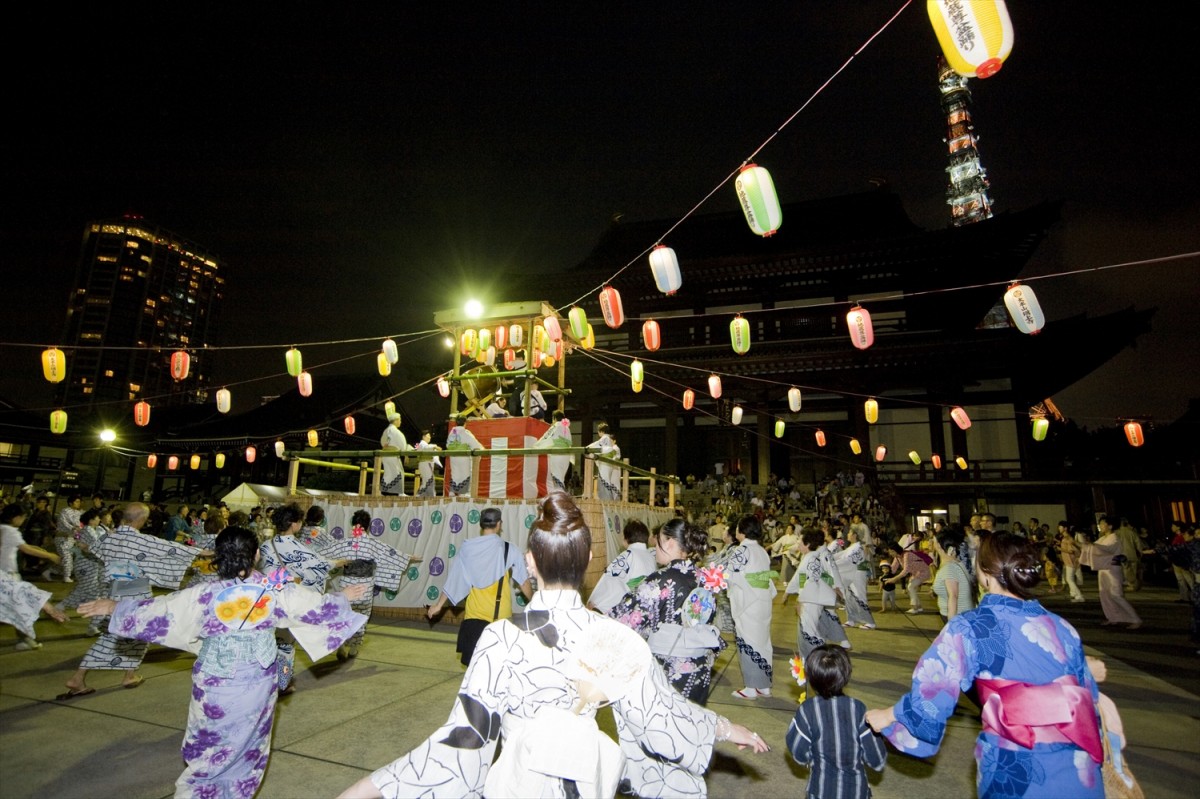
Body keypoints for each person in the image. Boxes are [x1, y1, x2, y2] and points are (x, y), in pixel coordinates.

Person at [337, 492, 769, 799]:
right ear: (586, 565)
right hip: (589, 782)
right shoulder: (614, 638)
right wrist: (725, 729)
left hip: (520, 783)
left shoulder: (502, 638)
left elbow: (462, 740)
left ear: (530, 562)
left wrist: (370, 787)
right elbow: (663, 714)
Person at [79, 526, 368, 799]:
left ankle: (199, 790)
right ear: (256, 555)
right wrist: (342, 597)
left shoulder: (204, 594)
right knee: (249, 742)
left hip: (215, 682)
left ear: (219, 556)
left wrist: (115, 607)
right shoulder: (273, 590)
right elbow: (314, 607)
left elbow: (161, 611)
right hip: (257, 679)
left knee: (209, 742)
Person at [866, 532, 1105, 799]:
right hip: (1079, 764)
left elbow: (933, 692)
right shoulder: (1063, 626)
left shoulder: (970, 627)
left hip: (1018, 762)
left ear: (984, 573)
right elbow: (1088, 699)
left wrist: (888, 716)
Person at [61, 502, 204, 696]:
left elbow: (92, 549)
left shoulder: (109, 538)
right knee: (121, 636)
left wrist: (85, 545)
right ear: (142, 520)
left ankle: (127, 674)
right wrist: (205, 552)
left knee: (131, 636)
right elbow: (172, 549)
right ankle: (79, 678)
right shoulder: (141, 541)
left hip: (114, 591)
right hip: (134, 594)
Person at [610, 518, 725, 704]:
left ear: (669, 542)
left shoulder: (661, 580)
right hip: (700, 667)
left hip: (669, 670)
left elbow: (627, 619)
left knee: (665, 727)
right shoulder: (707, 579)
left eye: (658, 540)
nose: (654, 545)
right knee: (693, 724)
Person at [426, 507, 532, 666]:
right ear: (499, 524)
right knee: (497, 671)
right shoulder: (509, 549)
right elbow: (524, 582)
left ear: (481, 525)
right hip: (499, 620)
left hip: (473, 618)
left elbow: (454, 579)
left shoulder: (467, 549)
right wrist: (536, 601)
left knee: (475, 672)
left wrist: (438, 605)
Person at [258, 502, 343, 692]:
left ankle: (265, 677)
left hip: (267, 598)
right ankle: (283, 682)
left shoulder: (265, 545)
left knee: (267, 639)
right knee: (286, 641)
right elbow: (321, 565)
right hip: (289, 599)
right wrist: (340, 562)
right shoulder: (297, 547)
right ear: (294, 524)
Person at [317, 509, 420, 660]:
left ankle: (340, 646)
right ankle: (354, 648)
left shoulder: (344, 543)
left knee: (343, 615)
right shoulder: (373, 544)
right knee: (361, 617)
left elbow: (326, 552)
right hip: (364, 589)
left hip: (347, 588)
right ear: (368, 526)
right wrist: (409, 557)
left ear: (353, 524)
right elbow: (391, 554)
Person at [786, 645, 887, 799]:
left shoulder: (808, 710)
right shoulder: (858, 709)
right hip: (856, 792)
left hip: (820, 791)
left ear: (811, 677)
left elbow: (799, 753)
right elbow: (877, 760)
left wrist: (811, 758)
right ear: (846, 675)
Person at [1, 503, 67, 650]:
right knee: (23, 608)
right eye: (23, 517)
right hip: (9, 577)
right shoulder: (11, 532)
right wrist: (49, 555)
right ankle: (25, 640)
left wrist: (42, 550)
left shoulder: (3, 529)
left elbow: (24, 546)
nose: (24, 520)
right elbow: (27, 549)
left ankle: (25, 639)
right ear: (16, 517)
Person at [726, 514, 777, 699]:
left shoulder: (742, 550)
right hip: (762, 600)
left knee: (747, 641)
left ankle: (750, 687)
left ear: (742, 531)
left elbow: (730, 574)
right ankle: (764, 686)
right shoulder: (762, 551)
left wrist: (717, 577)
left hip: (748, 602)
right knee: (762, 642)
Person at [1080, 515, 1142, 629]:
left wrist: (1091, 544)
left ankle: (1135, 619)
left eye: (1103, 523)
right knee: (1105, 594)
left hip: (1112, 568)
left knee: (1116, 594)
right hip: (1103, 568)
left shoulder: (1114, 538)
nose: (1101, 526)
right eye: (1101, 523)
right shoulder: (1102, 538)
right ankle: (1113, 617)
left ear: (1110, 526)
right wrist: (1085, 543)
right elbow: (1094, 548)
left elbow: (1106, 549)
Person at [588, 518, 657, 614]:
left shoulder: (628, 555)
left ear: (626, 538)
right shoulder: (650, 556)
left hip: (627, 609)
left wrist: (596, 604)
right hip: (646, 608)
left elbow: (611, 584)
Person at [833, 527, 877, 630]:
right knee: (848, 597)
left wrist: (832, 563)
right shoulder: (852, 547)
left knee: (859, 596)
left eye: (849, 532)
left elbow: (848, 560)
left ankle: (869, 622)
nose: (847, 534)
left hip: (857, 574)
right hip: (850, 574)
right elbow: (841, 555)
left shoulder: (858, 547)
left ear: (854, 535)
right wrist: (829, 558)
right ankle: (851, 620)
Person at [930, 526, 974, 624]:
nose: (933, 545)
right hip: (962, 615)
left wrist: (951, 625)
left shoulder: (949, 568)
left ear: (941, 546)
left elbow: (953, 596)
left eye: (935, 542)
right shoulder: (956, 562)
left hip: (957, 617)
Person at [885, 533, 932, 614]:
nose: (890, 554)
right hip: (916, 573)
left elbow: (906, 570)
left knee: (911, 587)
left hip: (923, 572)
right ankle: (919, 607)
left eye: (891, 552)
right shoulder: (897, 557)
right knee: (911, 587)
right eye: (890, 552)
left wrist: (894, 579)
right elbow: (893, 568)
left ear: (895, 550)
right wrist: (885, 575)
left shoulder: (906, 555)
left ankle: (914, 607)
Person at [444, 415, 485, 497]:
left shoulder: (452, 432)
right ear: (465, 423)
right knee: (464, 474)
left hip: (453, 457)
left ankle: (452, 492)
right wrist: (482, 449)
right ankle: (463, 494)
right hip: (463, 457)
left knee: (455, 474)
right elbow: (475, 444)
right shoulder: (465, 433)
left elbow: (448, 445)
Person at [533, 410, 574, 492]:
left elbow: (547, 438)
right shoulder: (566, 427)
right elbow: (569, 442)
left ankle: (559, 497)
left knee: (556, 477)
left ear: (554, 418)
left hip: (557, 454)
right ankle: (560, 496)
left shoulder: (556, 426)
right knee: (560, 477)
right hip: (566, 455)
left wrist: (536, 446)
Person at [49, 494, 83, 582]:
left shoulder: (78, 513)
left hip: (71, 539)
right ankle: (66, 576)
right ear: (70, 503)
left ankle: (49, 570)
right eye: (77, 501)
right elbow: (66, 523)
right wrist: (74, 528)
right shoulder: (65, 511)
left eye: (79, 501)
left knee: (65, 558)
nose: (79, 503)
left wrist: (78, 538)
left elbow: (78, 528)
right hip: (62, 538)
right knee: (67, 557)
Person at [380, 411, 411, 495]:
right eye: (400, 420)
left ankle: (383, 491)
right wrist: (408, 452)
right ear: (396, 420)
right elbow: (403, 446)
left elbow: (382, 442)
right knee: (399, 472)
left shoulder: (386, 431)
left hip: (385, 455)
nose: (400, 422)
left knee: (388, 473)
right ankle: (400, 492)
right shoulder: (397, 432)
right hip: (393, 455)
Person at [588, 422, 621, 500]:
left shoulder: (605, 438)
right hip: (608, 463)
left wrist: (587, 448)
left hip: (605, 464)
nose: (598, 433)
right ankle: (608, 501)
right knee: (606, 481)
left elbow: (597, 446)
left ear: (601, 431)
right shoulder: (608, 439)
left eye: (598, 431)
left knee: (604, 482)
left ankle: (607, 502)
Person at [1057, 521, 1086, 602]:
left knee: (1069, 579)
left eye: (1060, 527)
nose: (1059, 528)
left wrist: (1060, 549)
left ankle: (1079, 596)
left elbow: (1071, 551)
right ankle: (1073, 594)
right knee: (1070, 578)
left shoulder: (1068, 538)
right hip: (1068, 561)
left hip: (1070, 560)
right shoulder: (1065, 538)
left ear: (1065, 528)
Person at [414, 430, 443, 497]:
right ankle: (421, 495)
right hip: (425, 464)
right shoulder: (422, 444)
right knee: (428, 480)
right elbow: (426, 448)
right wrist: (435, 446)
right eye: (428, 436)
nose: (430, 437)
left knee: (429, 480)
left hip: (426, 464)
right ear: (423, 437)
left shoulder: (424, 445)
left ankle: (427, 495)